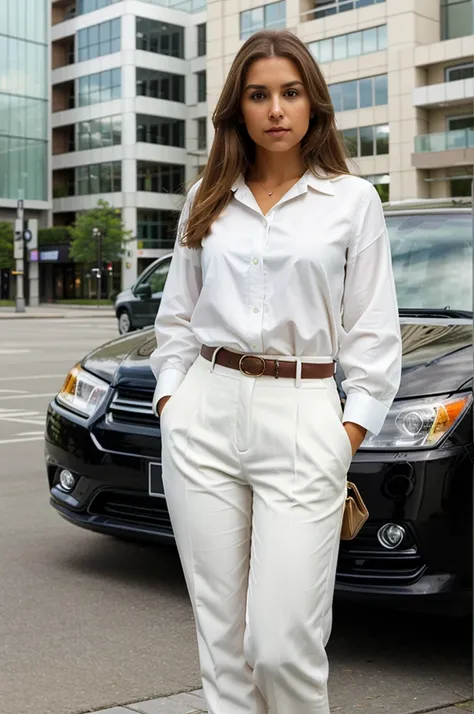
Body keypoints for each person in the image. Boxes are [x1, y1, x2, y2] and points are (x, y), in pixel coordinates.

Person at [150, 29, 402, 714]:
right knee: (224, 651)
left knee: (282, 644)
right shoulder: (208, 195)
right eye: (258, 95)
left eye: (290, 92)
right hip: (206, 410)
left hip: (303, 415)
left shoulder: (352, 201)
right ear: (239, 109)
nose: (275, 109)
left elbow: (375, 338)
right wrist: (174, 406)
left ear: (313, 104)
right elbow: (175, 322)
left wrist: (344, 433)